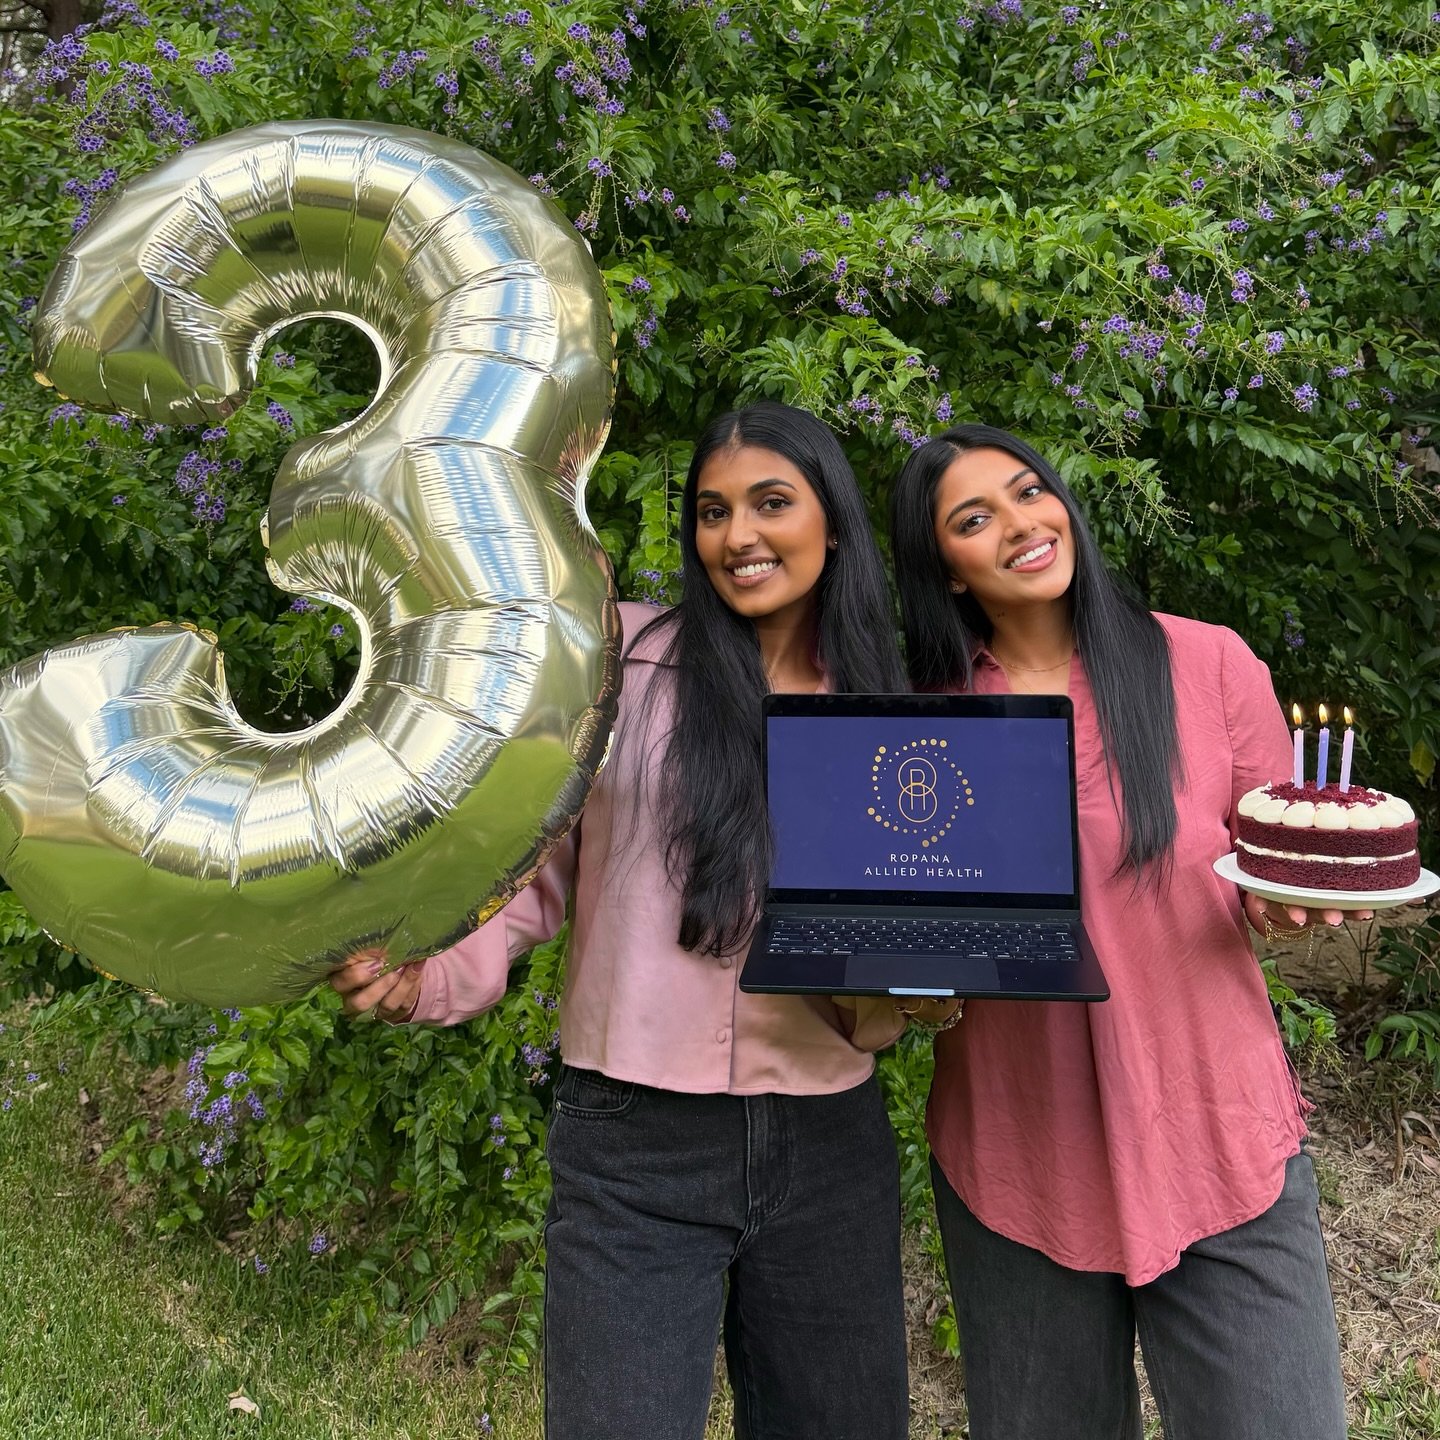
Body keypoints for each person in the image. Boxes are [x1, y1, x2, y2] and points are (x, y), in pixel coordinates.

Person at [332, 401, 916, 1440]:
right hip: (633, 1142)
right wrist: (425, 972)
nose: (738, 536)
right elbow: (527, 864)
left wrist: (937, 983)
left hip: (829, 1139)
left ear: (832, 522)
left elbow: (922, 922)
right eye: (713, 512)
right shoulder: (624, 666)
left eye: (771, 504)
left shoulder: (891, 709)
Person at [888, 423, 1366, 1440]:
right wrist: (918, 990)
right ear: (948, 570)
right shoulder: (920, 723)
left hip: (1217, 1139)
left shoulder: (1206, 663)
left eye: (1029, 492)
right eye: (974, 518)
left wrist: (1288, 907)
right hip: (1020, 1158)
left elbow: (1268, 870)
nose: (1020, 523)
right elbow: (912, 939)